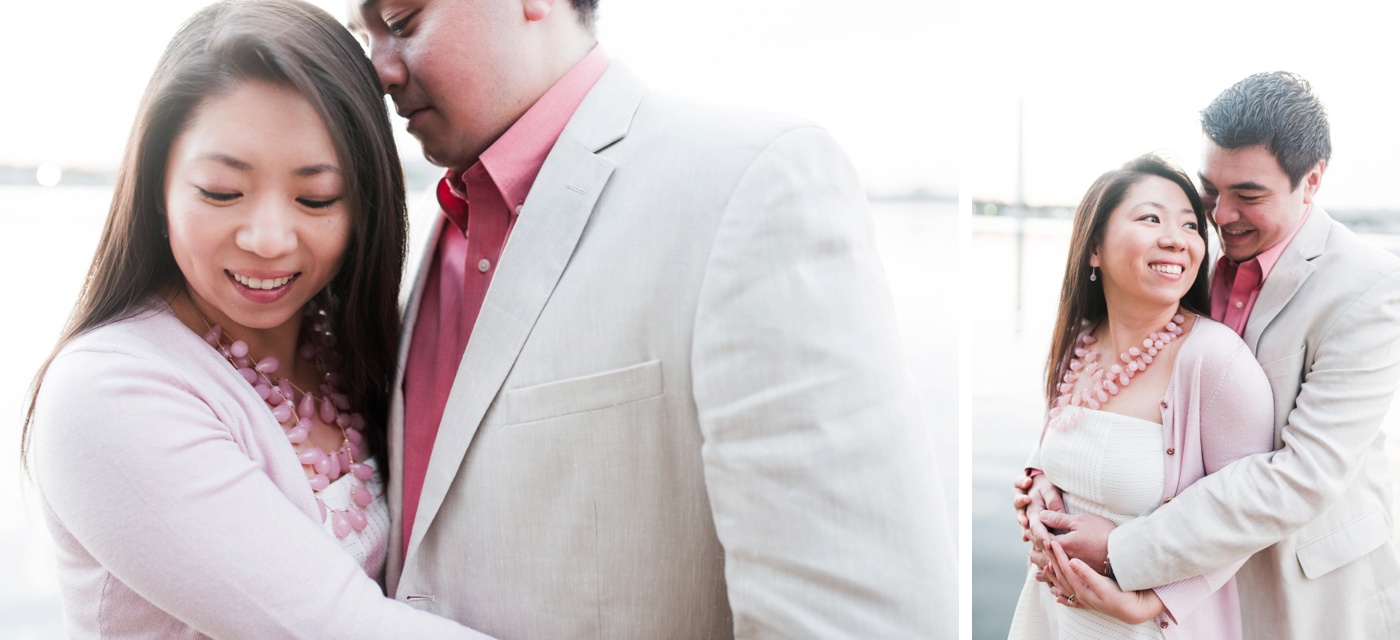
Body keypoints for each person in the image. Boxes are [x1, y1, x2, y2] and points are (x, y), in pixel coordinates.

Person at [350, 0, 953, 636]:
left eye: (401, 20)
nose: (379, 69)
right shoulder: (421, 225)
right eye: (365, 35)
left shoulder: (752, 183)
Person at [22, 1, 490, 636]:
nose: (269, 239)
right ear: (157, 184)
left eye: (316, 198)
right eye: (221, 191)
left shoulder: (349, 353)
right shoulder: (109, 390)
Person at [1017, 72, 1400, 639]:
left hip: (1301, 583)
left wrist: (1123, 553)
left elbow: (1302, 476)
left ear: (1311, 181)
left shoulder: (1370, 290)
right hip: (1179, 573)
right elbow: (1125, 380)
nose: (1220, 216)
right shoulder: (1191, 251)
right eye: (1209, 191)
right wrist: (1046, 481)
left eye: (1248, 195)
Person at [1005, 154, 1274, 639]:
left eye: (1191, 225)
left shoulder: (1215, 362)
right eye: (1151, 218)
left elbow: (1248, 517)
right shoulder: (1079, 342)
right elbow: (1058, 446)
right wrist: (1037, 483)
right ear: (1094, 248)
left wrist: (1150, 601)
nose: (1176, 238)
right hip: (1053, 618)